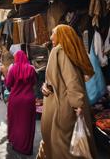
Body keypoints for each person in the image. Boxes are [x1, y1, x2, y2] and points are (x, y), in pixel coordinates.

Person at [39, 24, 97, 158]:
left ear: (62, 36)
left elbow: (72, 81)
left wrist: (77, 104)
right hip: (62, 105)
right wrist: (46, 86)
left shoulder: (60, 51)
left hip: (63, 107)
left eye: (54, 33)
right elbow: (60, 80)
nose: (51, 36)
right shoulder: (68, 53)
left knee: (64, 148)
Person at [5, 50, 37, 155]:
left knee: (15, 122)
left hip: (15, 100)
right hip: (28, 100)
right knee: (27, 123)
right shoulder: (31, 69)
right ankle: (26, 147)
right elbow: (34, 83)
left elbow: (8, 84)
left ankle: (16, 143)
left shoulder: (12, 68)